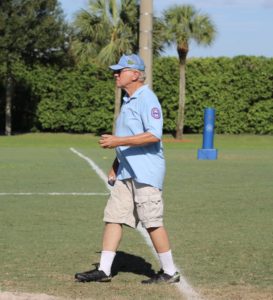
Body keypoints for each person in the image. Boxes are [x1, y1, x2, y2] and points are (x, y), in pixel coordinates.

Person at [75, 54, 180, 284]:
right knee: (113, 217)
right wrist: (115, 165)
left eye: (119, 71)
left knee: (151, 221)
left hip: (145, 172)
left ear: (134, 74)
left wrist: (116, 142)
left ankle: (170, 272)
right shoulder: (128, 100)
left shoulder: (147, 99)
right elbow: (124, 139)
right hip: (126, 172)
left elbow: (154, 135)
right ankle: (104, 270)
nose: (115, 74)